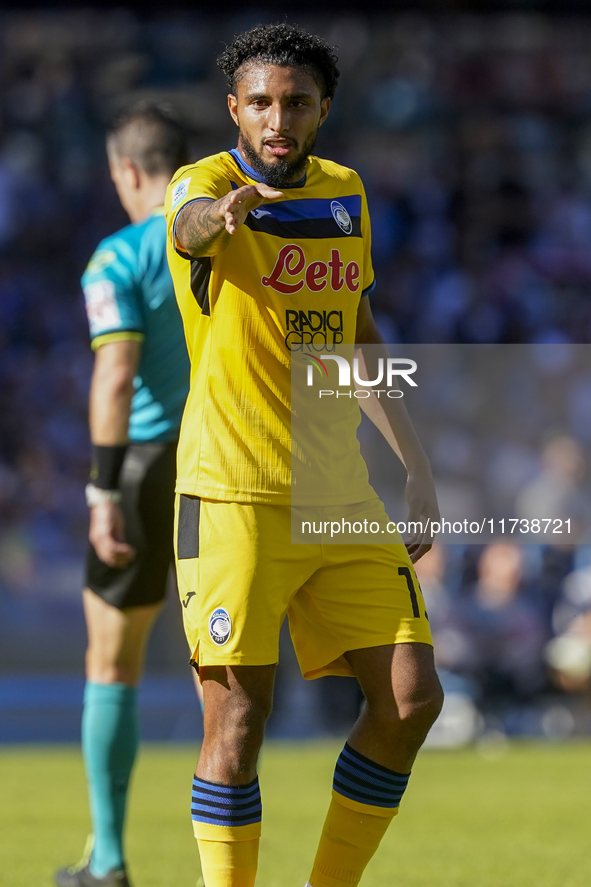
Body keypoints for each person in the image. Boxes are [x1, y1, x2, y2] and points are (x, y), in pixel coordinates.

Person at [165, 23, 444, 887]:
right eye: (259, 103)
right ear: (233, 111)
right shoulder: (206, 181)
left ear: (323, 108)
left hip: (337, 493)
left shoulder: (346, 194)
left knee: (408, 699)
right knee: (238, 719)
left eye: (294, 102)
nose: (276, 118)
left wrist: (417, 465)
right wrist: (228, 213)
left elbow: (356, 334)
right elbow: (189, 229)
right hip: (230, 494)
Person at [55, 103, 192, 887]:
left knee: (113, 663)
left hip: (144, 466)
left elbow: (114, 372)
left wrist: (102, 489)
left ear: (126, 173)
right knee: (232, 663)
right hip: (227, 460)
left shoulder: (117, 257)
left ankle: (107, 859)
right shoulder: (229, 240)